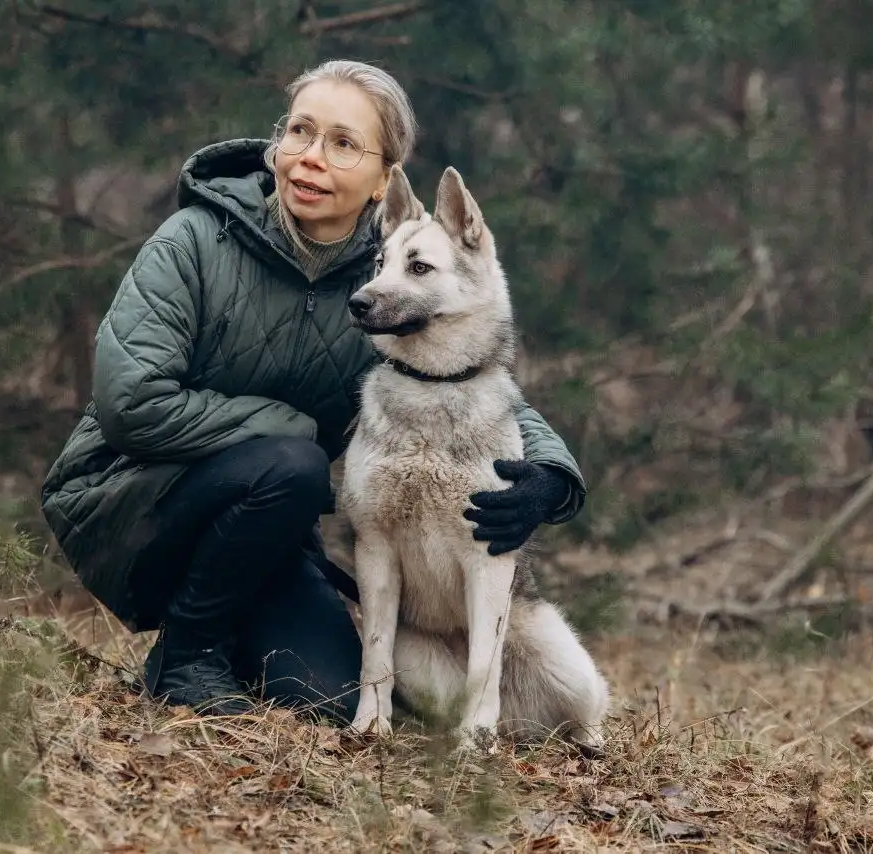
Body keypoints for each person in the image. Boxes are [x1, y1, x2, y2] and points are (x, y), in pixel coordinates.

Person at [39, 59, 587, 726]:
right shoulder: (192, 241)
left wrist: (551, 478)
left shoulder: (385, 278)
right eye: (299, 131)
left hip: (266, 524)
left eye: (343, 143)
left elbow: (472, 381)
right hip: (129, 500)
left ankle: (233, 639)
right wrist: (285, 429)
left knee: (331, 699)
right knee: (291, 464)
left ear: (385, 181)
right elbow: (131, 403)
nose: (309, 159)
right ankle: (187, 654)